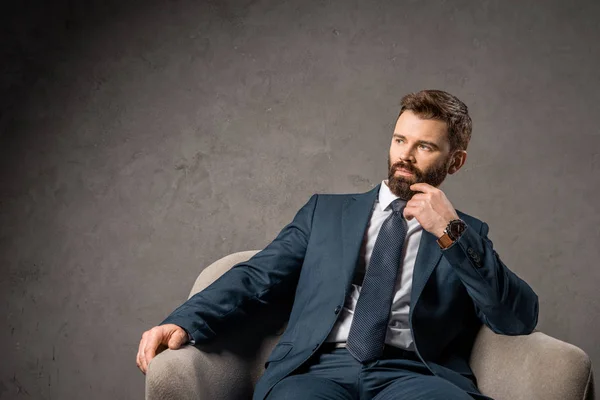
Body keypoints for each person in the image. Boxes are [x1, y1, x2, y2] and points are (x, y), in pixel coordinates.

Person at [136, 90, 538, 400]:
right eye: (400, 140)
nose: (406, 156)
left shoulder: (465, 232)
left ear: (456, 161)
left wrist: (449, 231)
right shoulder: (325, 213)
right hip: (316, 369)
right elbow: (258, 275)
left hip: (415, 374)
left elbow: (514, 317)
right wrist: (184, 319)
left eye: (425, 147)